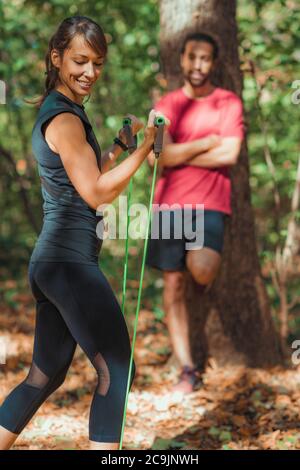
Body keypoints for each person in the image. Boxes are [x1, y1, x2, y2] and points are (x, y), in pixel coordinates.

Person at [0, 15, 165, 450]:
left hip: (53, 264)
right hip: (68, 263)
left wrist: (117, 148)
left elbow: (86, 176)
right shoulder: (66, 119)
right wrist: (147, 147)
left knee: (46, 374)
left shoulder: (64, 113)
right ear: (56, 58)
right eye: (79, 60)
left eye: (97, 63)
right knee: (116, 366)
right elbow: (94, 194)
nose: (89, 72)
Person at [146, 32, 244, 394]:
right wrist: (205, 144)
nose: (198, 65)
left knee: (201, 271)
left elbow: (230, 154)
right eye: (192, 58)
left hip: (210, 204)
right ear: (182, 59)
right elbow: (161, 157)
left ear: (214, 63)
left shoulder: (227, 102)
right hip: (169, 204)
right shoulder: (166, 104)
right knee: (172, 286)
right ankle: (187, 368)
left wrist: (179, 153)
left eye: (205, 59)